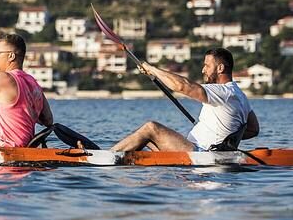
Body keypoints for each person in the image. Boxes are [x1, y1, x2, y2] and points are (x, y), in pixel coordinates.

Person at [111, 47, 259, 152]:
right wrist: (225, 140)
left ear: (220, 68)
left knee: (151, 128)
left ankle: (109, 156)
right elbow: (253, 129)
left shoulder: (223, 91)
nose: (203, 70)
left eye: (207, 66)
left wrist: (153, 70)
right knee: (144, 138)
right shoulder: (240, 95)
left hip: (200, 153)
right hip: (200, 151)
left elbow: (182, 86)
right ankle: (124, 158)